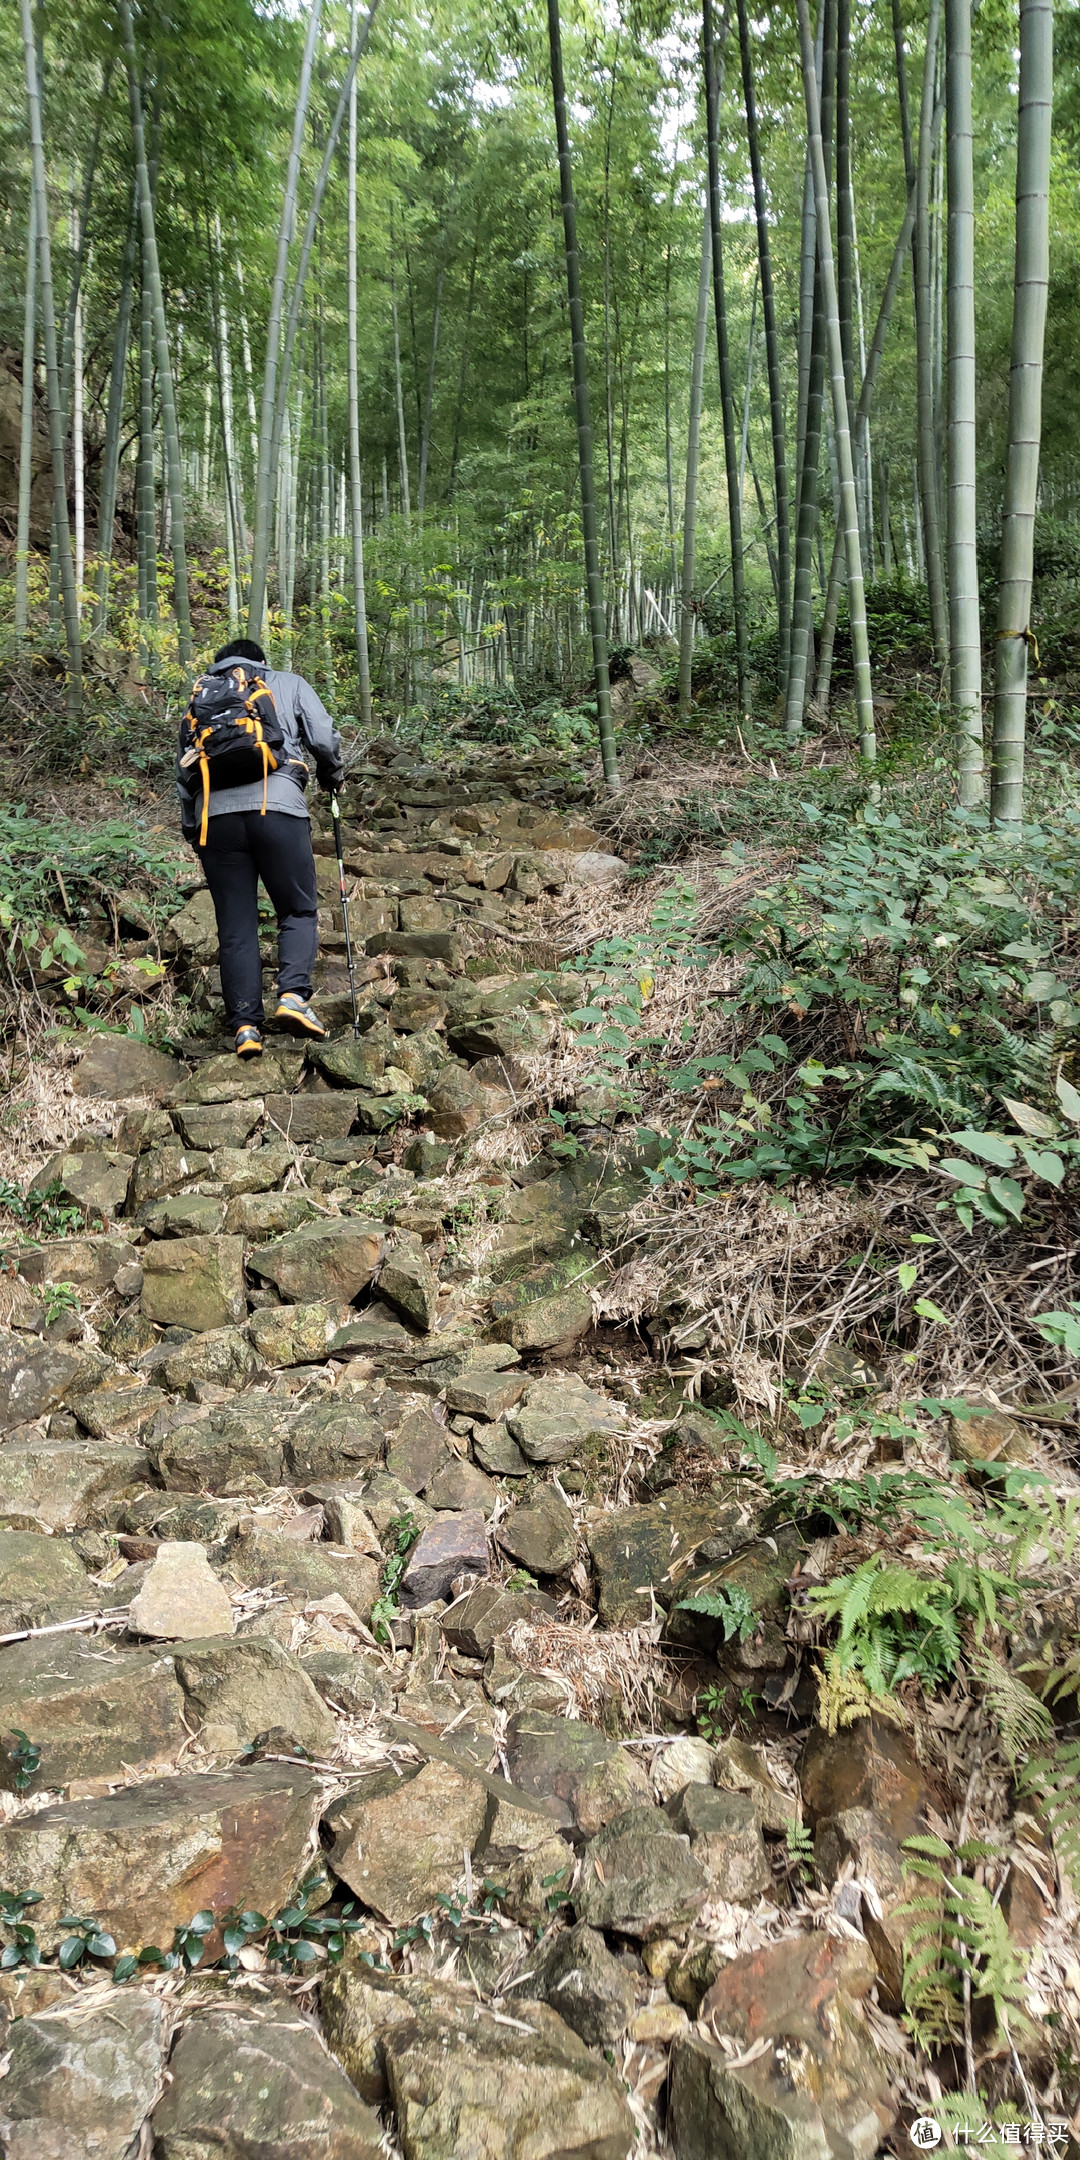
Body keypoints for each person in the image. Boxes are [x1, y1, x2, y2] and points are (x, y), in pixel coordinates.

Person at [176, 637, 344, 1059]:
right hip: (278, 808)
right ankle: (292, 998)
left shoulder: (201, 699)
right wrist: (332, 774)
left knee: (235, 926)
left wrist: (192, 827)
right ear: (261, 663)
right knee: (297, 908)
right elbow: (322, 736)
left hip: (215, 819)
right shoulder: (286, 682)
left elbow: (184, 770)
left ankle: (246, 1027)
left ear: (219, 666)